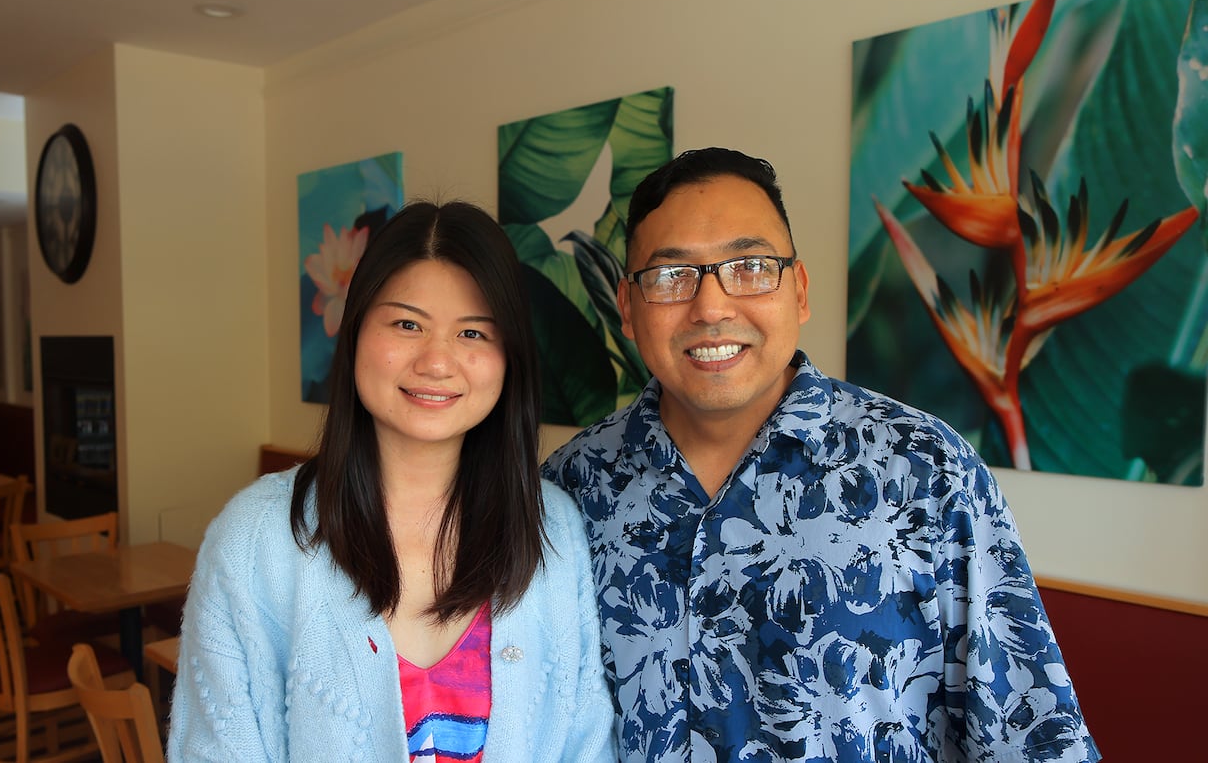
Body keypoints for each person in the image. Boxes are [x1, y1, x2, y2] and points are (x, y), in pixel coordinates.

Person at [541, 148, 1099, 762]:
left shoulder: (924, 472)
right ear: (627, 307)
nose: (712, 308)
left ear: (799, 291)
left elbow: (1033, 736)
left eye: (750, 266)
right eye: (671, 277)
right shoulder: (570, 491)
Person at [170, 200, 614, 761]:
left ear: (510, 357)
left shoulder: (555, 530)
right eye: (407, 324)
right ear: (355, 333)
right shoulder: (254, 539)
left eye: (474, 333)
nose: (437, 361)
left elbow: (587, 744)